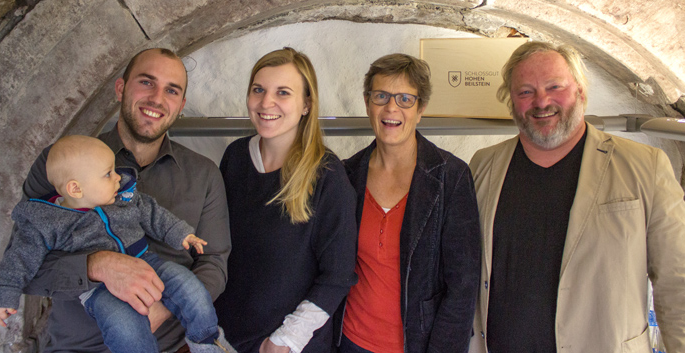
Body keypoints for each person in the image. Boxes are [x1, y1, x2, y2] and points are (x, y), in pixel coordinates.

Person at [468, 41, 685, 352]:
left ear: (581, 92)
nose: (542, 102)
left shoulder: (645, 166)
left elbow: (677, 283)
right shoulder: (483, 165)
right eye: (525, 92)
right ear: (512, 102)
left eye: (555, 87)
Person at [18, 48, 231, 352]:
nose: (157, 98)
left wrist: (160, 310)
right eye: (146, 82)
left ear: (180, 106)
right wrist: (97, 265)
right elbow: (25, 261)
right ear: (120, 89)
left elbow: (214, 263)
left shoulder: (204, 175)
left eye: (171, 90)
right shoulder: (59, 164)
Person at [0, 136, 235, 353]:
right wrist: (1, 296)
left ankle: (207, 341)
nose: (118, 177)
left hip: (148, 264)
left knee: (190, 288)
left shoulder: (123, 198)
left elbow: (154, 215)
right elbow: (19, 258)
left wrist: (182, 234)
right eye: (108, 174)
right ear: (75, 187)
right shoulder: (47, 220)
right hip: (97, 291)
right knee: (124, 326)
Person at [213, 47, 358, 353]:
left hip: (286, 345)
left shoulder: (327, 176)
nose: (267, 103)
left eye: (283, 92)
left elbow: (337, 276)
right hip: (225, 338)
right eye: (258, 90)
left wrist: (285, 341)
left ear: (306, 104)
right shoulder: (235, 157)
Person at [336, 53, 481, 353]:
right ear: (367, 103)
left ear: (421, 108)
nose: (391, 107)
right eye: (381, 96)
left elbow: (463, 287)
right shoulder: (345, 175)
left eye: (405, 98)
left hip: (416, 345)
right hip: (349, 341)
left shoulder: (450, 177)